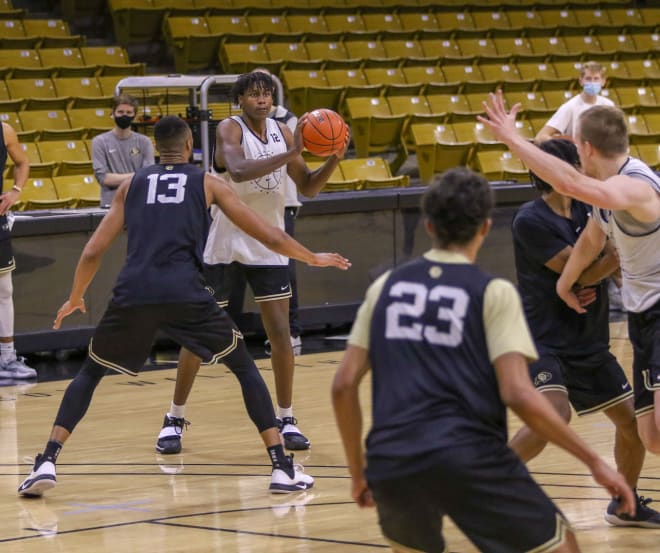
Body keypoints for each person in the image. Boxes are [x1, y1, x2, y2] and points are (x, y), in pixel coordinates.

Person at [17, 116, 350, 498]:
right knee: (243, 365)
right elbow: (269, 235)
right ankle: (280, 467)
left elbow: (93, 250)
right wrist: (312, 257)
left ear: (155, 147)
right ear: (190, 143)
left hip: (135, 290)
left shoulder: (131, 184)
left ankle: (47, 460)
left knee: (91, 372)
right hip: (185, 290)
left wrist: (76, 297)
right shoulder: (208, 182)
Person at [332, 167, 635, 553]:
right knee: (564, 544)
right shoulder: (492, 292)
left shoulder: (384, 288)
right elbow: (519, 395)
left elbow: (343, 386)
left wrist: (358, 472)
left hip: (392, 461)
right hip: (467, 455)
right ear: (485, 227)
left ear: (427, 226)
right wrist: (594, 460)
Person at [155, 70, 348, 455]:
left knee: (280, 333)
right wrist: (292, 153)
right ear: (240, 100)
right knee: (199, 335)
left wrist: (333, 159)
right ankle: (174, 418)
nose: (262, 99)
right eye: (254, 94)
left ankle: (286, 417)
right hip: (227, 241)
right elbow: (238, 170)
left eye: (266, 94)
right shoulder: (230, 129)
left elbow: (307, 187)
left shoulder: (284, 132)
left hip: (269, 242)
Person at [480, 94, 660, 454]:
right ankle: (624, 509)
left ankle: (488, 482)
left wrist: (513, 140)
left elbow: (572, 187)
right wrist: (566, 284)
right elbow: (594, 237)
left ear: (587, 149)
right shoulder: (603, 193)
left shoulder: (634, 185)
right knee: (651, 438)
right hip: (639, 318)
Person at [508, 138, 660, 527]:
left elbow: (602, 269)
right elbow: (577, 273)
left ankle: (624, 505)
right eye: (572, 162)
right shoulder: (530, 219)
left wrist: (619, 262)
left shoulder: (590, 207)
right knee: (554, 415)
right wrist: (617, 254)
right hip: (542, 339)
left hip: (588, 341)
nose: (579, 166)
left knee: (632, 425)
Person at [0, 122, 36, 380]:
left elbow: (23, 162)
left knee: (4, 289)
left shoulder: (4, 130)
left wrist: (15, 191)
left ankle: (7, 357)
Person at [92, 93, 155, 208]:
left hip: (139, 204)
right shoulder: (99, 142)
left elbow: (148, 176)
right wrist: (137, 176)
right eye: (120, 112)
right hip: (110, 205)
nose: (124, 116)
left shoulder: (145, 142)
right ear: (113, 113)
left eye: (128, 113)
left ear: (134, 115)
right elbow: (104, 178)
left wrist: (117, 178)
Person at [534, 61, 614, 144]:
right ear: (581, 81)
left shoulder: (609, 106)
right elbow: (540, 137)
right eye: (588, 79)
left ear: (603, 81)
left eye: (596, 79)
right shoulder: (570, 107)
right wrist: (565, 145)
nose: (592, 82)